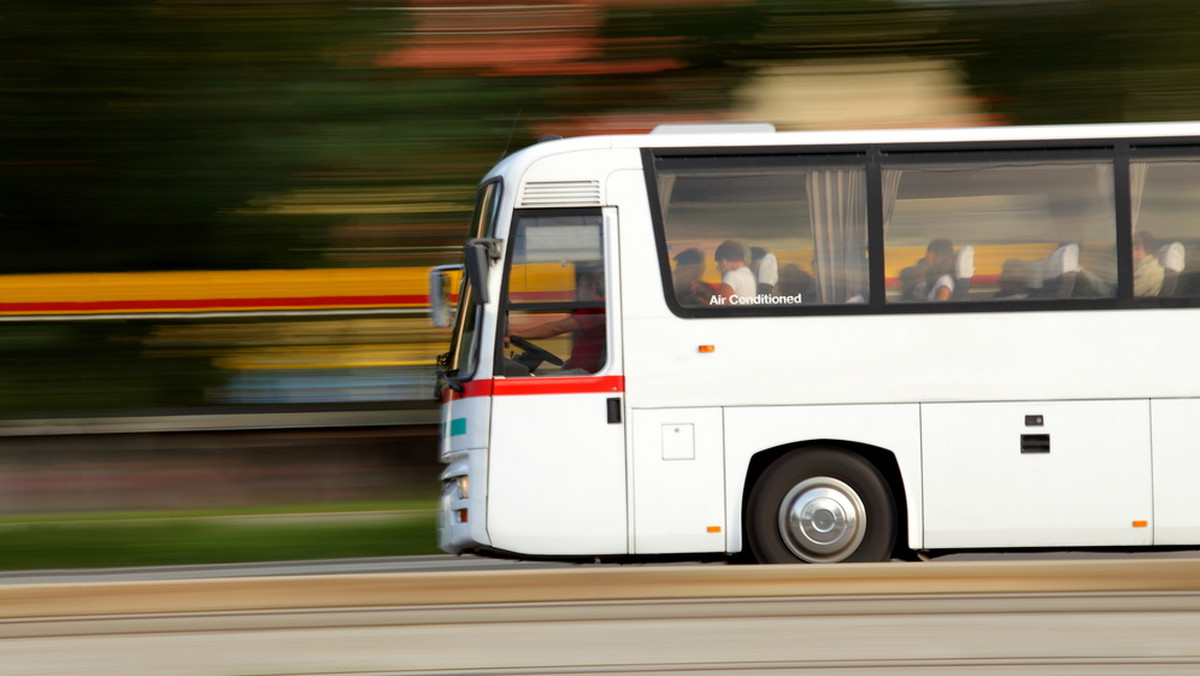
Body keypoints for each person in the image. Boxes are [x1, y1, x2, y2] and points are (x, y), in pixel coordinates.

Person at [508, 268, 606, 373]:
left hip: (586, 374)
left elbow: (556, 328)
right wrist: (570, 363)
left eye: (580, 285)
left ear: (592, 288)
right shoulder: (597, 306)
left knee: (535, 387)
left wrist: (519, 334)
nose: (577, 289)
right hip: (581, 369)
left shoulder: (596, 307)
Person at [714, 240, 756, 305]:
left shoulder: (732, 276)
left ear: (724, 262)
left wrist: (697, 299)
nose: (719, 269)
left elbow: (715, 307)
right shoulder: (752, 275)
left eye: (719, 265)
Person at [1132, 230, 1165, 297]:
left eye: (1133, 243)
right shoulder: (1140, 264)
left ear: (1138, 247)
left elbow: (1125, 294)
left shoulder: (1147, 272)